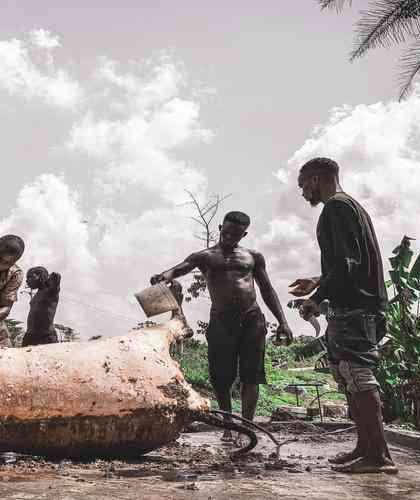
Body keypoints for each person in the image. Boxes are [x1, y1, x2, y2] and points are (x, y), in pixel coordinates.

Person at [291, 157, 397, 474]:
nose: (302, 194)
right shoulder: (352, 207)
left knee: (358, 376)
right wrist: (319, 280)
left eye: (302, 186)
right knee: (350, 376)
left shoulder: (335, 207)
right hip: (359, 306)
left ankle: (378, 457)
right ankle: (365, 448)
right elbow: (351, 263)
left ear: (315, 180)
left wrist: (316, 298)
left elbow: (348, 265)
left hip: (355, 308)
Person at [151, 211, 292, 443]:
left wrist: (283, 322)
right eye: (226, 232)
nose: (229, 237)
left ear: (243, 234)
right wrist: (163, 275)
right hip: (221, 320)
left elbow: (267, 289)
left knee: (252, 375)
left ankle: (246, 427)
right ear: (219, 228)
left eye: (235, 234)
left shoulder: (253, 256)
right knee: (221, 377)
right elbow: (180, 268)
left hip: (252, 318)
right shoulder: (205, 257)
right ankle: (228, 425)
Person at [21, 266, 61, 347]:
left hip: (46, 336)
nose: (27, 280)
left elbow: (56, 280)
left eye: (30, 277)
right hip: (30, 335)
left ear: (41, 276)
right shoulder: (38, 293)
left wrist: (55, 276)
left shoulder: (50, 291)